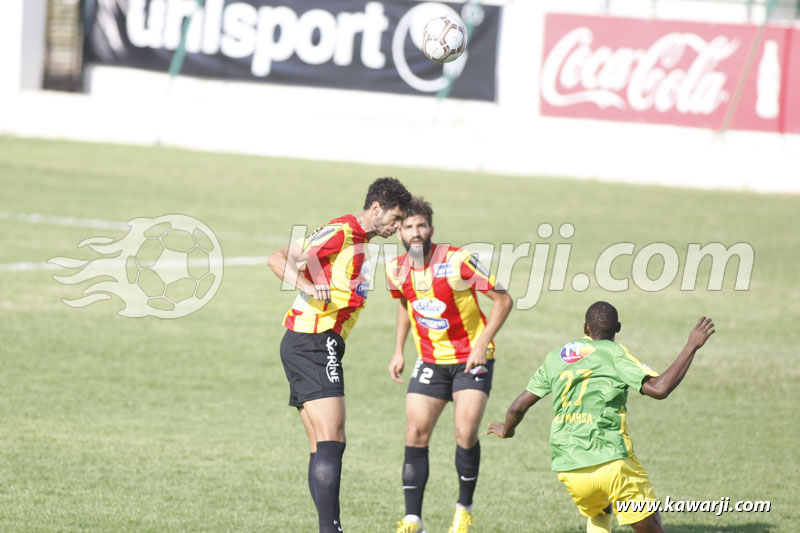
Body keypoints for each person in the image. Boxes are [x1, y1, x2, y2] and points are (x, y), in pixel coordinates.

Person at [487, 301, 715, 533]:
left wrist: (507, 429)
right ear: (617, 328)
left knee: (600, 510)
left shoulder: (557, 357)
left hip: (570, 467)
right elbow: (659, 389)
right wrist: (691, 346)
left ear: (586, 328)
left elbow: (518, 407)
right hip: (612, 463)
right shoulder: (615, 353)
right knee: (651, 519)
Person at [266, 177, 412, 533]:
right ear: (376, 208)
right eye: (395, 218)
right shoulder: (343, 232)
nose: (397, 228)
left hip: (312, 342)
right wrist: (308, 286)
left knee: (322, 444)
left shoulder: (358, 239)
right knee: (333, 438)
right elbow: (278, 258)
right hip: (314, 341)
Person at [386, 197, 513, 533]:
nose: (416, 233)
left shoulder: (459, 261)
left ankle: (463, 509)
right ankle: (413, 520)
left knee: (465, 432)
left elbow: (503, 299)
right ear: (398, 230)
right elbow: (404, 304)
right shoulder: (395, 269)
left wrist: (482, 343)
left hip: (470, 359)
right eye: (409, 227)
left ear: (431, 228)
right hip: (430, 360)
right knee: (415, 433)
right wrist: (398, 349)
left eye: (421, 226)